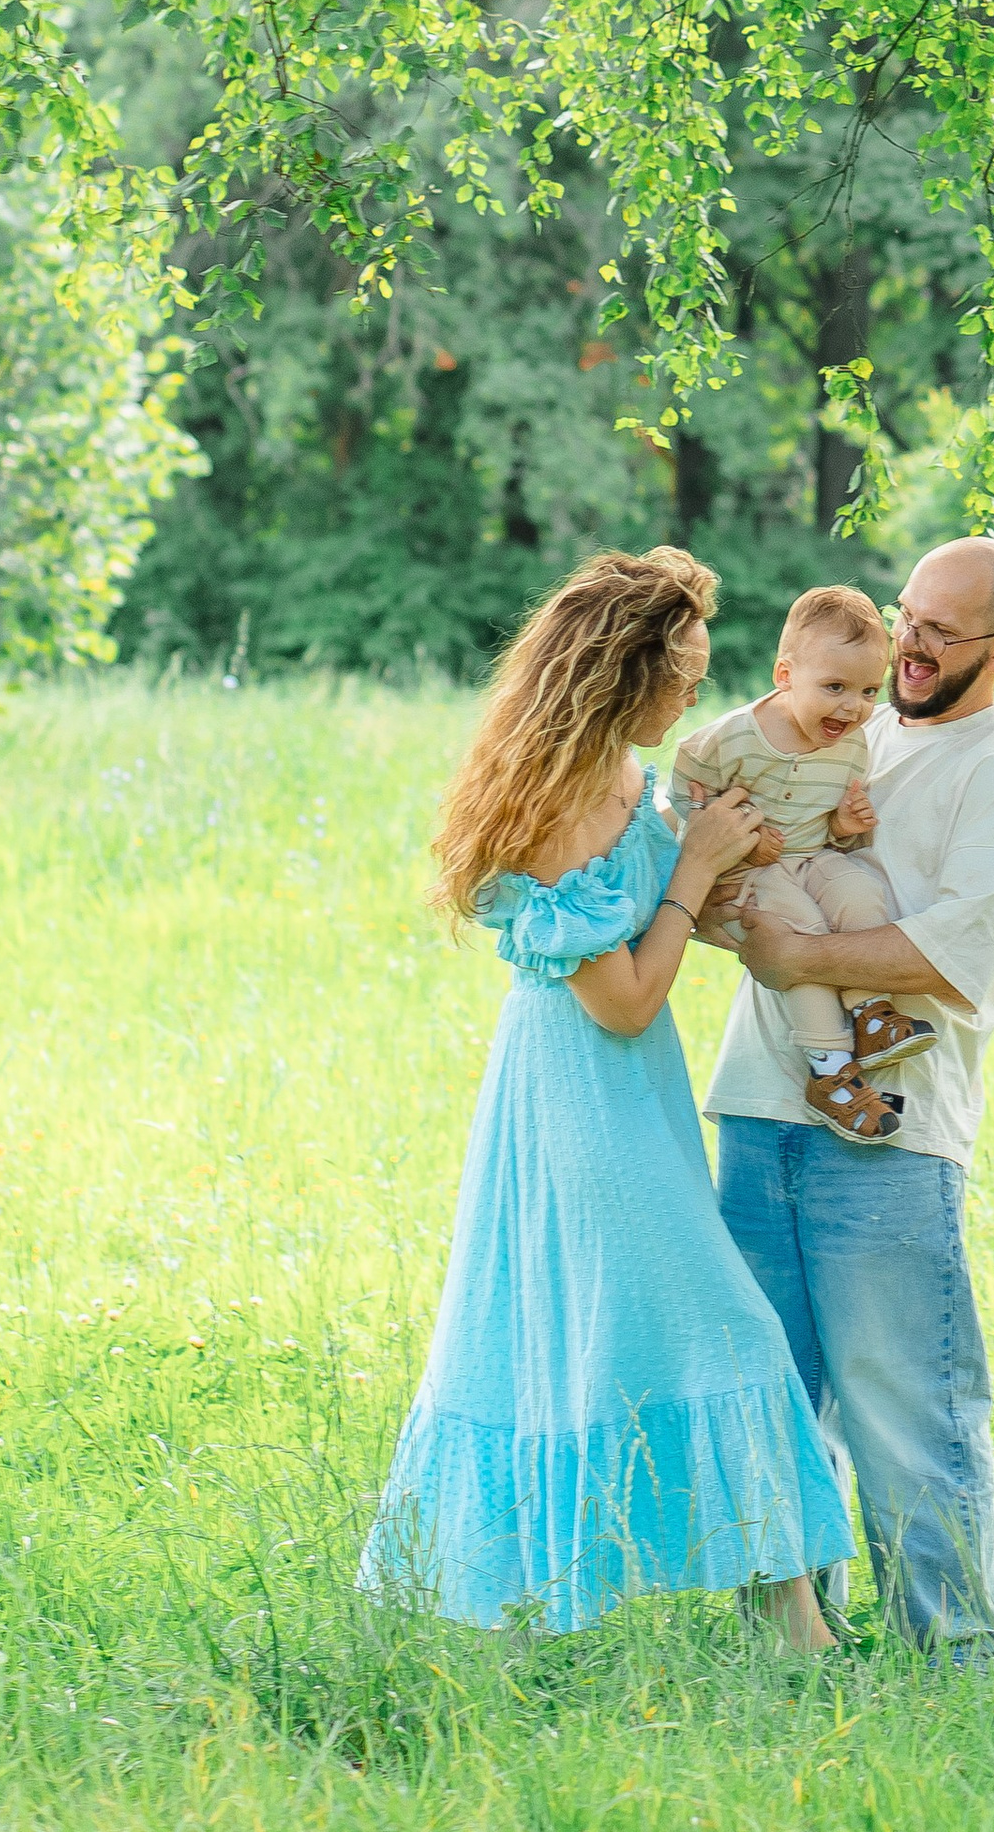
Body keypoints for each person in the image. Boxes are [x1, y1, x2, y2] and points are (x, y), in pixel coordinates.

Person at [359, 545, 852, 1645]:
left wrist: (761, 859)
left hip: (637, 1093)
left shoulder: (629, 775)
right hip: (579, 1093)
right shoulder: (552, 805)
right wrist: (694, 868)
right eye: (682, 676)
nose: (692, 698)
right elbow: (623, 1000)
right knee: (721, 1325)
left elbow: (668, 925)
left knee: (629, 1331)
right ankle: (787, 1633)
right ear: (623, 673)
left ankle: (770, 1623)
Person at [698, 534, 994, 1663]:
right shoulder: (839, 714)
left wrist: (800, 956)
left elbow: (959, 954)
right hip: (761, 1104)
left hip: (890, 1134)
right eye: (909, 614)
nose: (912, 643)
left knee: (906, 1406)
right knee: (768, 1396)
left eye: (943, 631)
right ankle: (791, 1646)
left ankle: (951, 1659)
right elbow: (736, 868)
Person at [668, 582, 934, 1149]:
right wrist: (742, 838)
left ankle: (870, 1012)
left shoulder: (851, 745)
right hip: (750, 874)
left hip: (812, 856)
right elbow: (689, 800)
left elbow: (824, 826)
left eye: (867, 690)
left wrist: (843, 824)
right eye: (834, 687)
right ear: (785, 675)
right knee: (800, 938)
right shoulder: (730, 739)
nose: (852, 707)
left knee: (859, 891)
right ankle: (829, 1071)